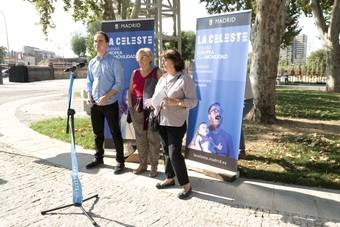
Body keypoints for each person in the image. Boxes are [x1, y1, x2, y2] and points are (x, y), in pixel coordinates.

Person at [146, 49, 197, 199]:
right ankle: (169, 178)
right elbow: (157, 97)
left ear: (174, 61)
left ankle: (186, 185)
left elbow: (193, 101)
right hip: (161, 120)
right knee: (167, 152)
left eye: (165, 59)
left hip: (177, 123)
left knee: (174, 153)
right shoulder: (162, 79)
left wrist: (177, 102)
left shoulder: (185, 79)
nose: (162, 62)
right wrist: (152, 102)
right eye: (162, 60)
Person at [85, 31, 125, 174]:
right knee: (98, 134)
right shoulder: (92, 62)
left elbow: (119, 84)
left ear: (107, 44)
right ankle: (98, 158)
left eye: (100, 41)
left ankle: (120, 161)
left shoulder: (114, 61)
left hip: (110, 103)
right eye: (95, 41)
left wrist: (106, 97)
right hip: (95, 104)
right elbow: (89, 82)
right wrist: (89, 96)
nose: (97, 44)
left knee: (115, 133)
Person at [127, 48, 161, 177]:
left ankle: (154, 166)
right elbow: (130, 91)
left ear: (150, 58)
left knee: (153, 138)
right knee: (140, 138)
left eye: (144, 57)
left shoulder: (156, 72)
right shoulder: (134, 72)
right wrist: (130, 107)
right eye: (139, 58)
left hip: (152, 112)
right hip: (137, 110)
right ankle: (142, 164)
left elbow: (163, 90)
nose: (141, 60)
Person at [239, 75, 254, 157]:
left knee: (237, 123)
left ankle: (241, 150)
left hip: (246, 101)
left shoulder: (240, 68)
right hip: (239, 101)